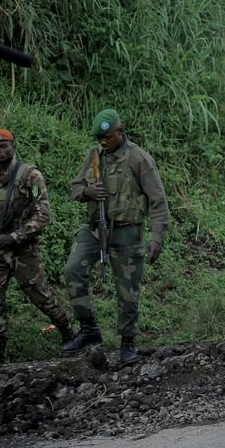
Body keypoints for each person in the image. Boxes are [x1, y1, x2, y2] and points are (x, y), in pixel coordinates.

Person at [62, 110, 169, 366]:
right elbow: (75, 187)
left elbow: (158, 201)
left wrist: (157, 238)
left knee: (128, 290)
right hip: (95, 228)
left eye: (107, 137)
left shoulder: (139, 159)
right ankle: (88, 328)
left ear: (119, 132)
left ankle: (127, 343)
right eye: (99, 137)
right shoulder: (94, 155)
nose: (102, 142)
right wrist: (87, 191)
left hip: (127, 231)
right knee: (73, 270)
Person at [0, 129, 74, 365]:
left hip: (23, 249)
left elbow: (43, 214)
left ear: (13, 146)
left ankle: (68, 332)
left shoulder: (29, 175)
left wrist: (14, 236)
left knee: (39, 294)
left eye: (3, 146)